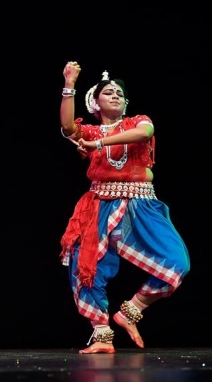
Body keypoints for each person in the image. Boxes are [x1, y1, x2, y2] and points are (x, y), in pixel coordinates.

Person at [58, 62, 190, 354]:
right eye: (108, 92)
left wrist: (98, 144)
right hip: (99, 206)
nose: (116, 95)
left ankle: (131, 311)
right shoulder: (90, 131)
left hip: (141, 206)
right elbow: (67, 127)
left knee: (177, 262)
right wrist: (69, 84)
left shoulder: (138, 121)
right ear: (96, 103)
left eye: (120, 92)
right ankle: (102, 335)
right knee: (86, 268)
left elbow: (145, 133)